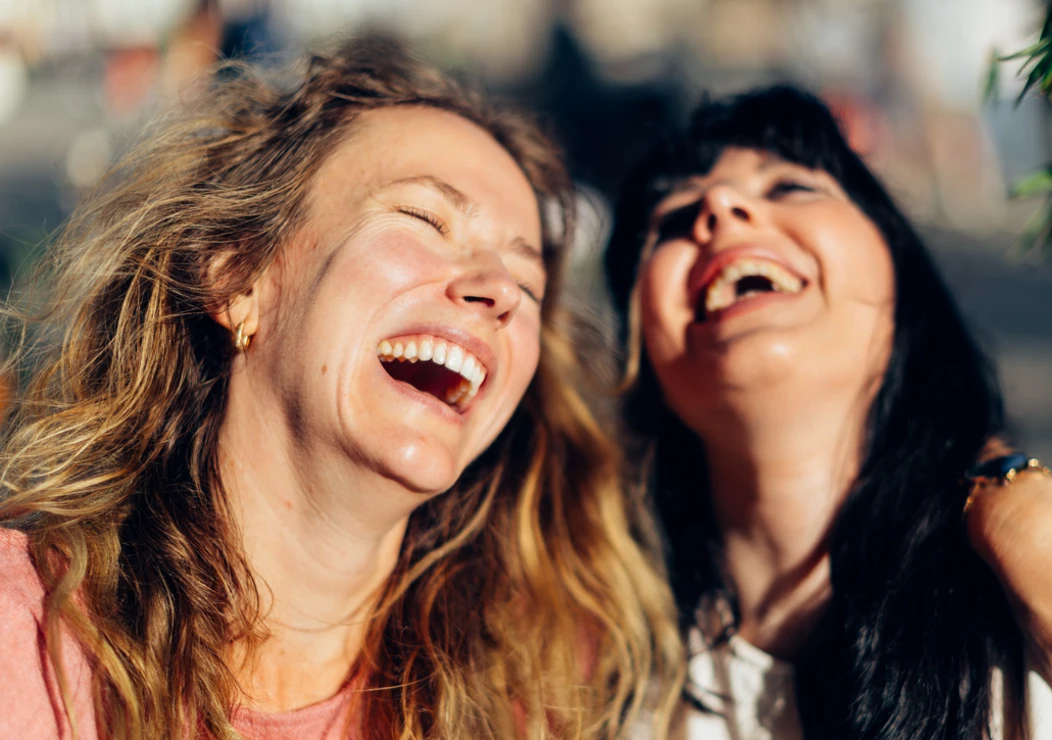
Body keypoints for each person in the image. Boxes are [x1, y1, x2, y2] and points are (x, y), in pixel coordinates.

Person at [0, 40, 685, 739]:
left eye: (528, 281)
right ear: (238, 276)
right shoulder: (23, 638)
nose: (499, 291)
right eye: (424, 219)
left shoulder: (546, 695)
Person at [603, 86, 1052, 739]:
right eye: (670, 220)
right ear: (638, 352)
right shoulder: (593, 662)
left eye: (790, 187)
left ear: (900, 279)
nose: (717, 207)